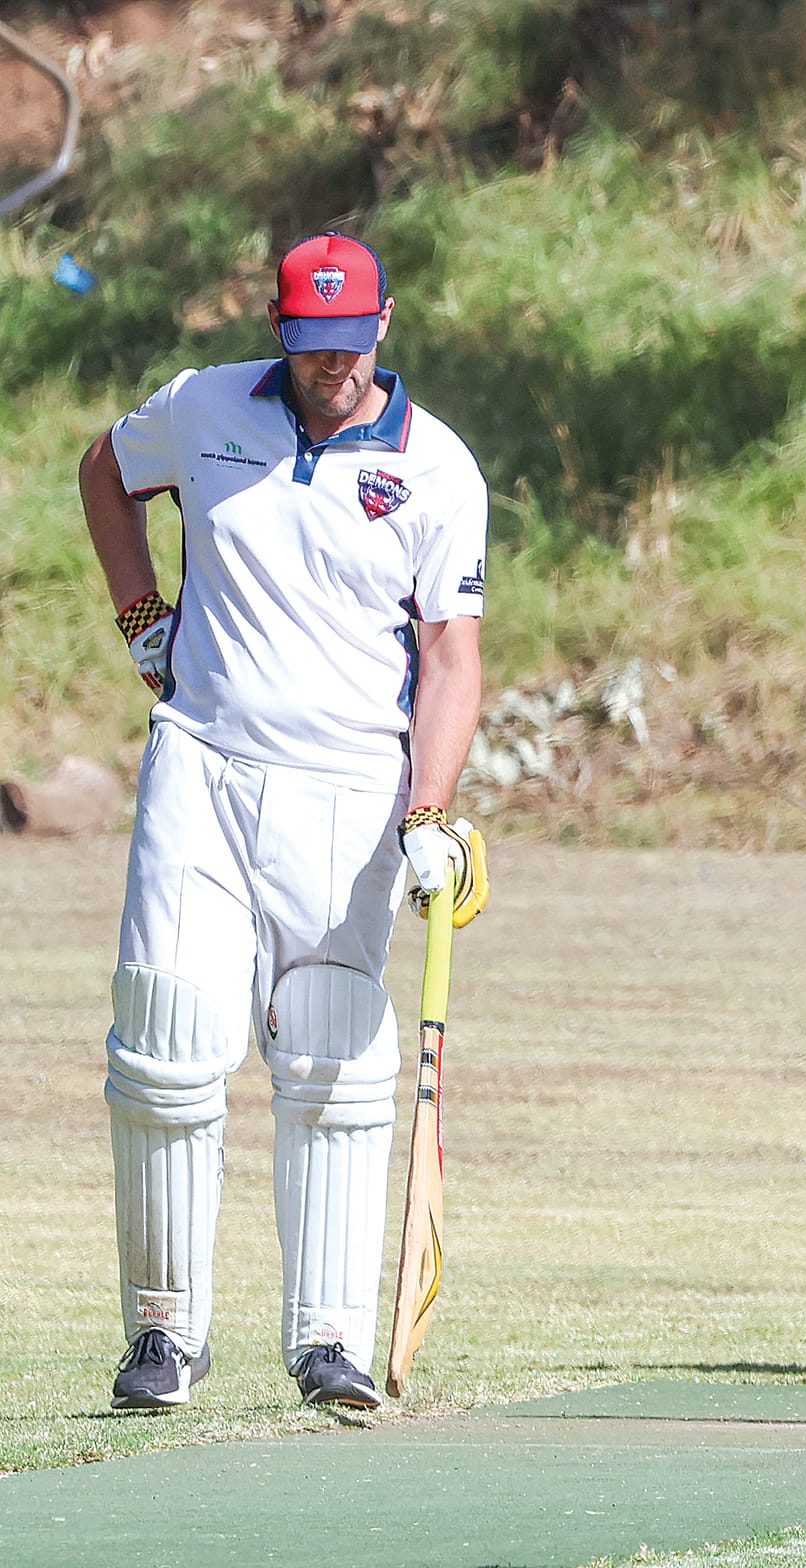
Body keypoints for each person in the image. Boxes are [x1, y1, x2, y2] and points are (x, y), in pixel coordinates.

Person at [78, 232, 490, 1411]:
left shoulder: (435, 469)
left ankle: (325, 1339)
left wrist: (428, 809)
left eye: (351, 344)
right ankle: (165, 1333)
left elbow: (451, 658)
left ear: (385, 324)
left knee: (328, 1052)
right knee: (165, 1034)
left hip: (350, 789)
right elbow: (103, 474)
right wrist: (140, 614)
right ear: (278, 330)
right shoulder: (202, 410)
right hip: (201, 759)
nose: (333, 368)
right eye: (311, 348)